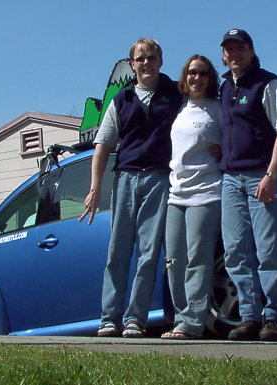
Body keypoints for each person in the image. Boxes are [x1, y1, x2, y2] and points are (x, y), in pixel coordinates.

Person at [79, 38, 182, 338]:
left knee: (149, 254)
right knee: (118, 253)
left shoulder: (175, 94)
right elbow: (103, 146)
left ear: (161, 61)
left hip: (160, 178)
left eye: (152, 57)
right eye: (140, 58)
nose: (146, 63)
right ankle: (109, 318)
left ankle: (135, 318)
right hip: (125, 178)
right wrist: (95, 188)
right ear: (132, 64)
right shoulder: (121, 100)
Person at [218, 29, 277, 341]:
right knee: (236, 251)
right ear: (223, 54)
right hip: (230, 179)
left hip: (262, 178)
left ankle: (273, 318)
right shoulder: (224, 87)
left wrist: (271, 175)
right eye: (229, 49)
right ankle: (248, 317)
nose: (234, 54)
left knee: (270, 252)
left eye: (240, 48)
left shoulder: (269, 83)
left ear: (251, 51)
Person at [160, 55, 222, 340]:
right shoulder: (181, 108)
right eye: (192, 73)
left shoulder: (219, 110)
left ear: (210, 79)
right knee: (174, 259)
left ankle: (194, 323)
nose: (196, 78)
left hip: (207, 192)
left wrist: (227, 151)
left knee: (198, 259)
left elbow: (237, 139)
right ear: (184, 77)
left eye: (203, 74)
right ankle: (181, 317)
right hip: (177, 194)